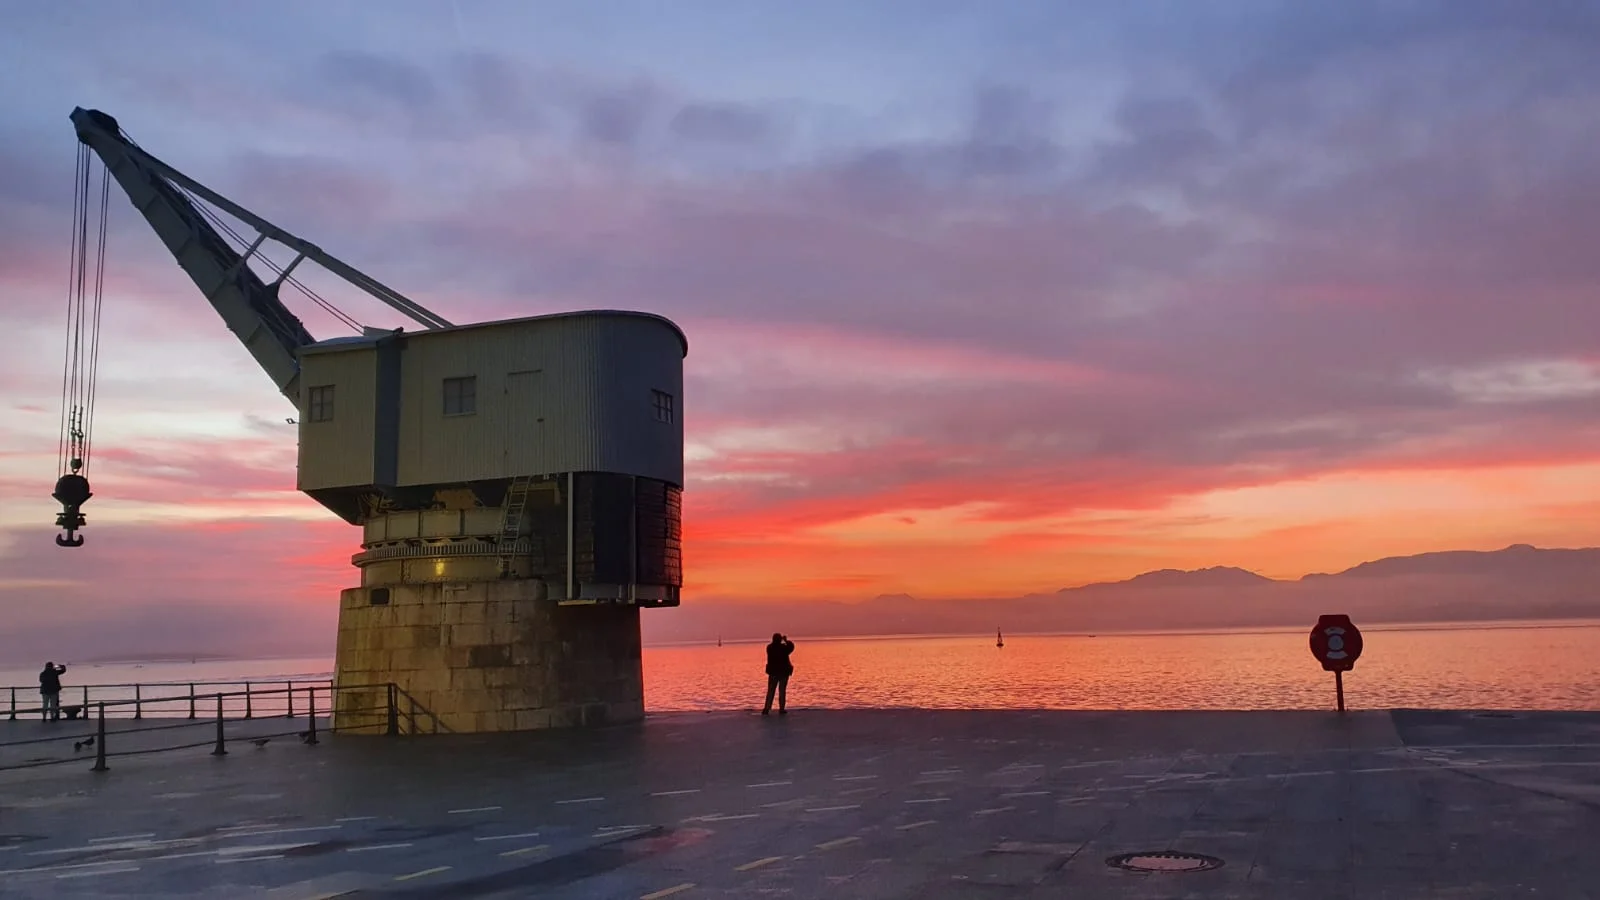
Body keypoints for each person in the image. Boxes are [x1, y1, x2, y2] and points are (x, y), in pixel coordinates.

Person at [762, 633, 794, 716]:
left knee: (771, 691)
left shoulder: (769, 647)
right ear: (780, 639)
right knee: (782, 691)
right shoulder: (783, 648)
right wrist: (786, 640)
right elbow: (791, 647)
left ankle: (767, 708)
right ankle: (781, 709)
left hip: (773, 672)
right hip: (783, 673)